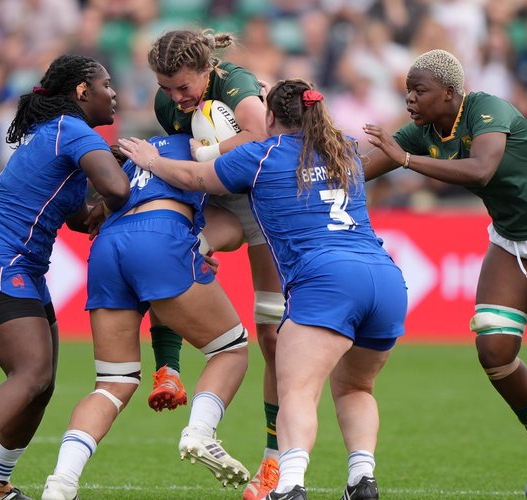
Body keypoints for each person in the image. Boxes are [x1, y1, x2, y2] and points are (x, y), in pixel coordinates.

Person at [119, 77, 408, 500]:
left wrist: (152, 159)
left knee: (297, 392)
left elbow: (195, 178)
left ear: (269, 115)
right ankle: (361, 478)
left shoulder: (260, 155)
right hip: (385, 278)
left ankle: (289, 485)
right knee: (356, 388)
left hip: (327, 280)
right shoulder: (343, 148)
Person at [363, 49, 527, 500]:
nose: (410, 98)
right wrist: (311, 176)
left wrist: (407, 160)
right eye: (408, 91)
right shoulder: (422, 132)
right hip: (512, 237)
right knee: (493, 348)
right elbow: (360, 169)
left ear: (449, 93)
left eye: (419, 90)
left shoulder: (487, 109)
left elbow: (481, 170)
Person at [0, 53, 130, 500]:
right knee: (31, 371)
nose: (114, 93)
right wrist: (140, 164)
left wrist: (108, 181)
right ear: (83, 91)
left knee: (41, 384)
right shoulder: (71, 130)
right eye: (106, 85)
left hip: (19, 265)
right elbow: (117, 190)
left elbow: (82, 218)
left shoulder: (58, 133)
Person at [40, 134, 250, 500]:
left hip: (108, 246)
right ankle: (200, 432)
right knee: (230, 350)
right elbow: (234, 223)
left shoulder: (136, 152)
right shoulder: (202, 147)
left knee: (112, 383)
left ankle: (61, 482)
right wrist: (196, 246)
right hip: (160, 235)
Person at [144, 28, 284, 499]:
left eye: (183, 86)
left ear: (208, 70)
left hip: (267, 208)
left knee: (273, 337)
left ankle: (274, 460)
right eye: (166, 88)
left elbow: (259, 136)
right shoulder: (168, 104)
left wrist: (205, 153)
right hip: (219, 201)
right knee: (170, 258)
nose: (175, 98)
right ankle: (168, 369)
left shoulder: (236, 83)